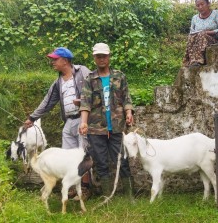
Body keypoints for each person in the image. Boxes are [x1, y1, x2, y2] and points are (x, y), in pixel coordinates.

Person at [23, 47, 92, 200]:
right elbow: (47, 102)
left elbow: (95, 89)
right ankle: (74, 188)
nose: (52, 62)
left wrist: (84, 102)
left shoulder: (83, 72)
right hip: (68, 122)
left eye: (55, 59)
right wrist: (32, 118)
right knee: (68, 156)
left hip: (83, 119)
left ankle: (86, 189)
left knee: (83, 154)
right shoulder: (58, 83)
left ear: (65, 60)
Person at [79, 43, 135, 200]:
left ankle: (130, 196)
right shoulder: (89, 79)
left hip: (117, 126)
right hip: (96, 128)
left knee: (122, 161)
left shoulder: (119, 76)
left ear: (109, 57)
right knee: (101, 164)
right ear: (94, 58)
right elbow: (85, 103)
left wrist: (129, 113)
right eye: (98, 56)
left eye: (104, 56)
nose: (101, 59)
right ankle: (107, 197)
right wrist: (83, 122)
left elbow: (126, 97)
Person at [183, 0, 218, 67]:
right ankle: (190, 61)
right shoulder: (195, 18)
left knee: (201, 34)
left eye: (202, 4)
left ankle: (198, 61)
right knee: (191, 36)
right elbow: (192, 32)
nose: (200, 7)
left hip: (214, 40)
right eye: (198, 5)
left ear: (208, 4)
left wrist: (207, 32)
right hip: (198, 40)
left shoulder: (216, 14)